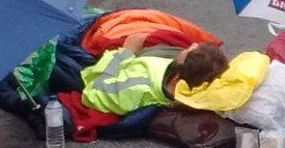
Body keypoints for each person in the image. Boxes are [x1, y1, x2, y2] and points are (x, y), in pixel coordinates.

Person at [80, 34, 229, 115]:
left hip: (85, 78)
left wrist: (125, 53)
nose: (191, 45)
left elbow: (92, 92)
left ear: (176, 80)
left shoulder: (138, 88)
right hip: (107, 64)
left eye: (188, 51)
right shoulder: (178, 71)